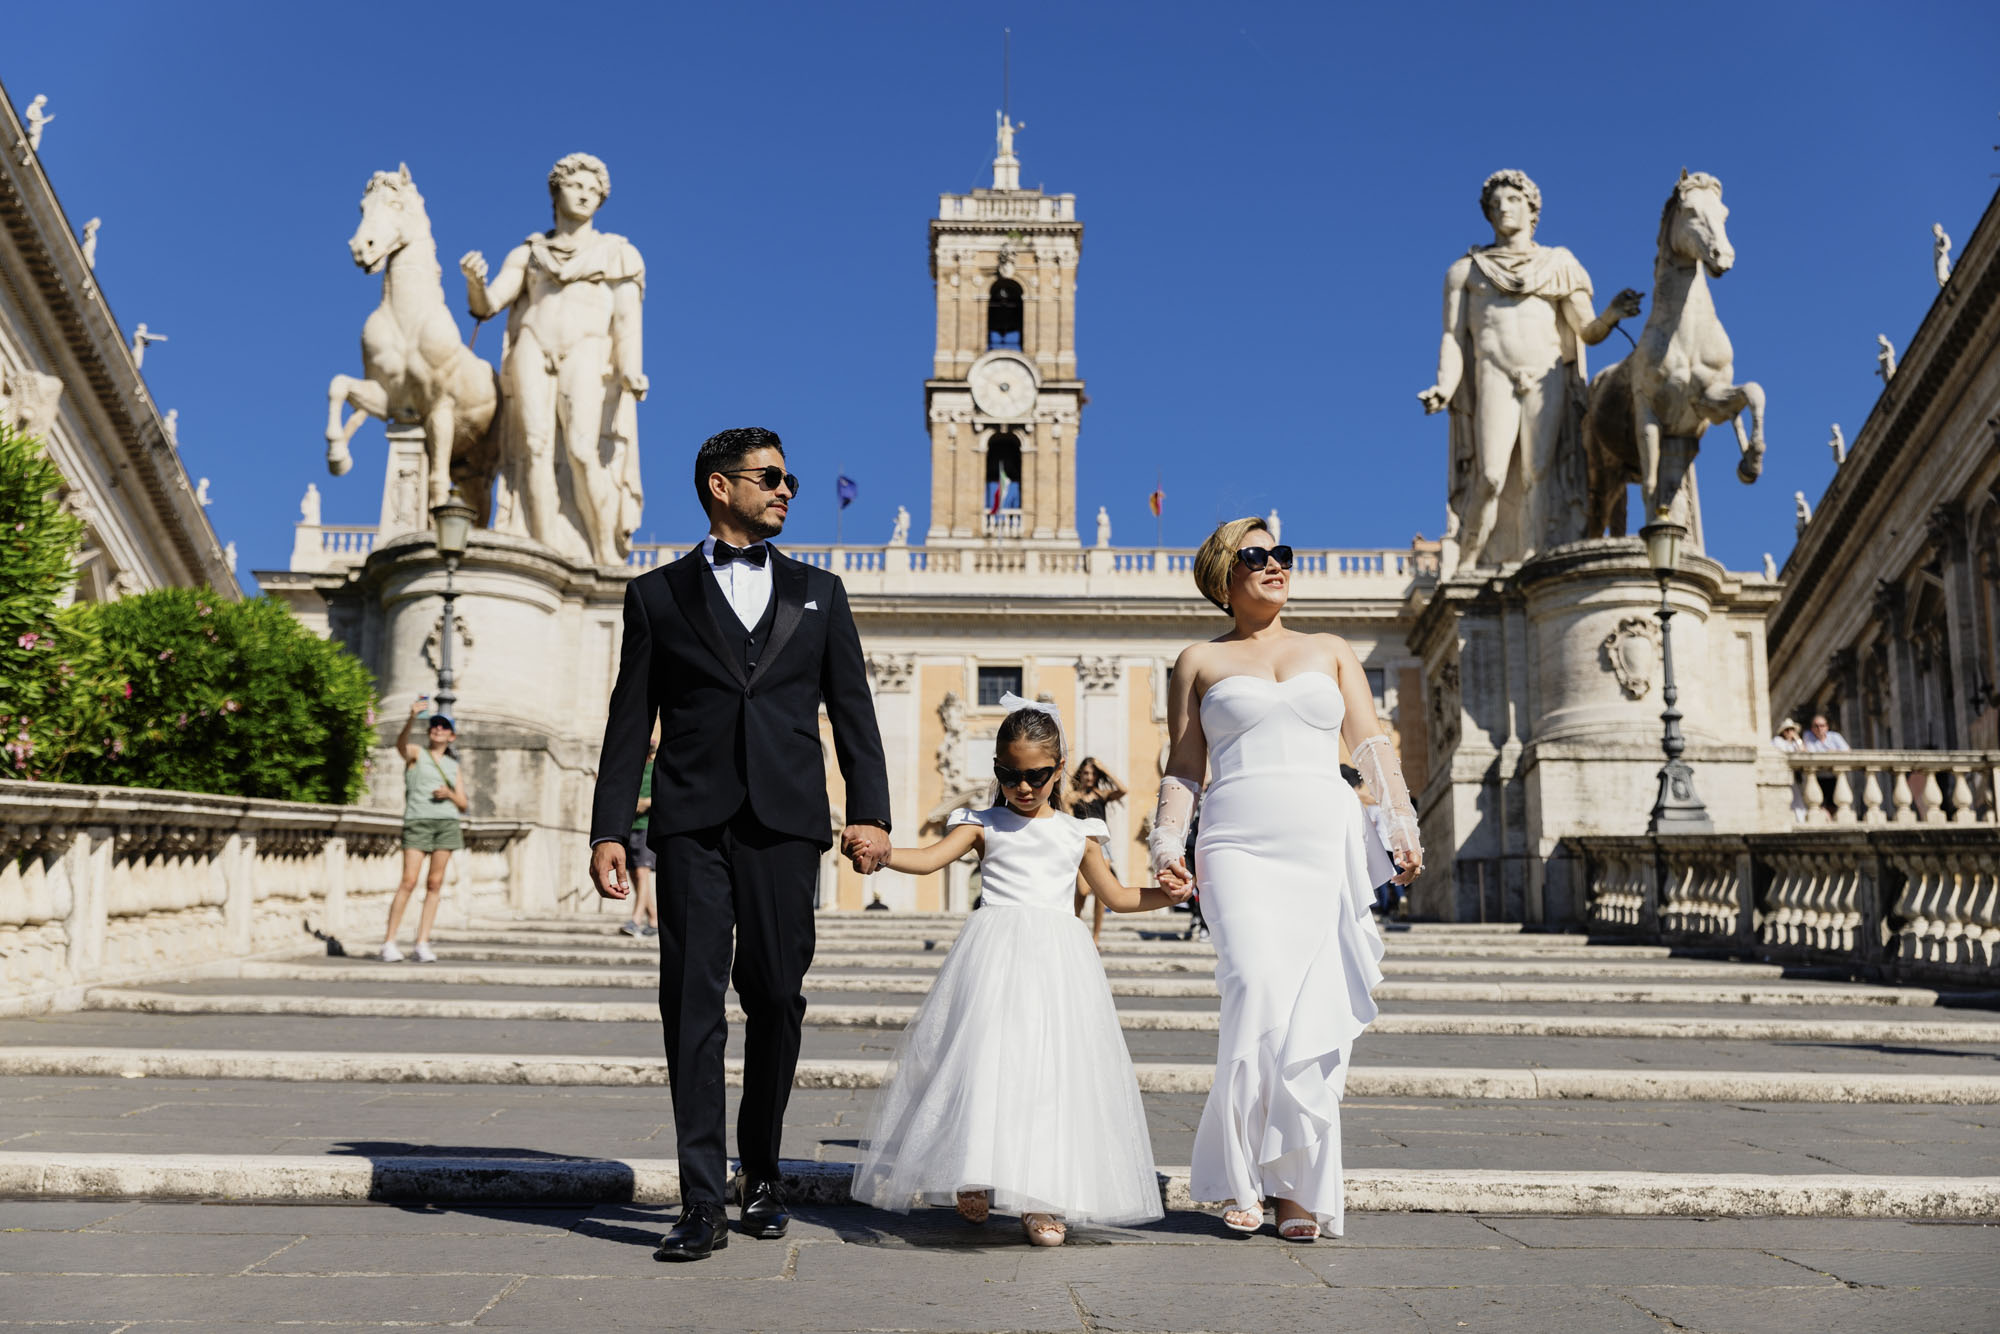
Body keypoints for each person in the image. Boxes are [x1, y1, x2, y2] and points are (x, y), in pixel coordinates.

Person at [586, 427, 891, 1263]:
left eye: (789, 478)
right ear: (721, 488)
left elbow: (854, 712)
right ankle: (699, 1201)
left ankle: (760, 1172)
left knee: (777, 999)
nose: (786, 489)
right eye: (771, 477)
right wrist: (611, 826)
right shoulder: (655, 596)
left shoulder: (822, 592)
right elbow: (627, 721)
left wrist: (871, 812)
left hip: (788, 824)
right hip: (688, 823)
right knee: (690, 1004)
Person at [1151, 517, 1422, 1242]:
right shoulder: (1197, 661)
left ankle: (1296, 1187)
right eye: (1257, 556)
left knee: (1310, 1004)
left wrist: (1399, 825)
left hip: (1320, 839)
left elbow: (1369, 740)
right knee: (1252, 989)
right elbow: (1183, 765)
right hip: (1237, 841)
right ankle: (1243, 1175)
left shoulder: (1330, 650)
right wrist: (1166, 844)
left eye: (1283, 555)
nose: (1276, 565)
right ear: (1223, 576)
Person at [850, 698, 1188, 1246]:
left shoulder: (1079, 833)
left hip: (1058, 961)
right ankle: (974, 1170)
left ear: (1057, 770)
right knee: (985, 1063)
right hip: (993, 954)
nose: (1023, 787)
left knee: (1050, 1073)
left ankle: (1039, 1197)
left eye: (1034, 775)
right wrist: (883, 854)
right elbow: (931, 859)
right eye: (1009, 775)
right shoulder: (982, 824)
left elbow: (1118, 896)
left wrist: (1167, 894)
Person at [381, 699, 467, 963]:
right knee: (408, 880)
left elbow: (463, 804)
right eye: (434, 726)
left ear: (451, 736)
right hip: (418, 821)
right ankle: (389, 942)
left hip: (446, 823)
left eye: (443, 727)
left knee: (435, 883)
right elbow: (400, 745)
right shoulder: (417, 753)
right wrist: (410, 718)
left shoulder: (454, 766)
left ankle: (422, 942)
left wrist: (449, 794)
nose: (438, 729)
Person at [1065, 757, 1127, 945]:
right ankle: (1075, 925)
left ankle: (1096, 937)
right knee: (1082, 891)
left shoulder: (1102, 795)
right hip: (1081, 843)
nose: (1090, 777)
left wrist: (1104, 769)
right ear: (1080, 775)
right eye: (1086, 773)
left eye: (1093, 773)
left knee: (1102, 891)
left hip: (1102, 845)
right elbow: (1068, 822)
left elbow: (1123, 790)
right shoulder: (1071, 798)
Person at [1344, 763, 1406, 925]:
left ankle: (1385, 910)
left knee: (1384, 880)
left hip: (1381, 846)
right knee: (1396, 876)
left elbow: (1369, 825)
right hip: (1394, 846)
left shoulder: (1372, 808)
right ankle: (1402, 897)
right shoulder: (1390, 808)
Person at [619, 734, 660, 937]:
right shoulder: (634, 770)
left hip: (647, 825)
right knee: (634, 874)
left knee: (642, 873)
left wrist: (646, 802)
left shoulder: (656, 769)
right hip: (631, 826)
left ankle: (636, 919)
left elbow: (664, 794)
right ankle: (653, 919)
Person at [1802, 713, 1851, 819]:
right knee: (1820, 806)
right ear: (1812, 728)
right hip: (1818, 776)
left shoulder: (1835, 736)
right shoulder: (1808, 736)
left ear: (1827, 727)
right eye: (1816, 726)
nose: (1819, 728)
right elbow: (1806, 751)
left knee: (1834, 805)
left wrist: (1835, 752)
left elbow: (1847, 752)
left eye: (1822, 725)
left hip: (1834, 776)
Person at [1772, 722, 1809, 824]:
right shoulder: (1777, 741)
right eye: (1787, 730)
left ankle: (1800, 820)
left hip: (1796, 775)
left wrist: (1797, 739)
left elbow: (1804, 753)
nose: (1789, 732)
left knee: (1798, 798)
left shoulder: (1795, 743)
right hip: (1784, 774)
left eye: (1792, 730)